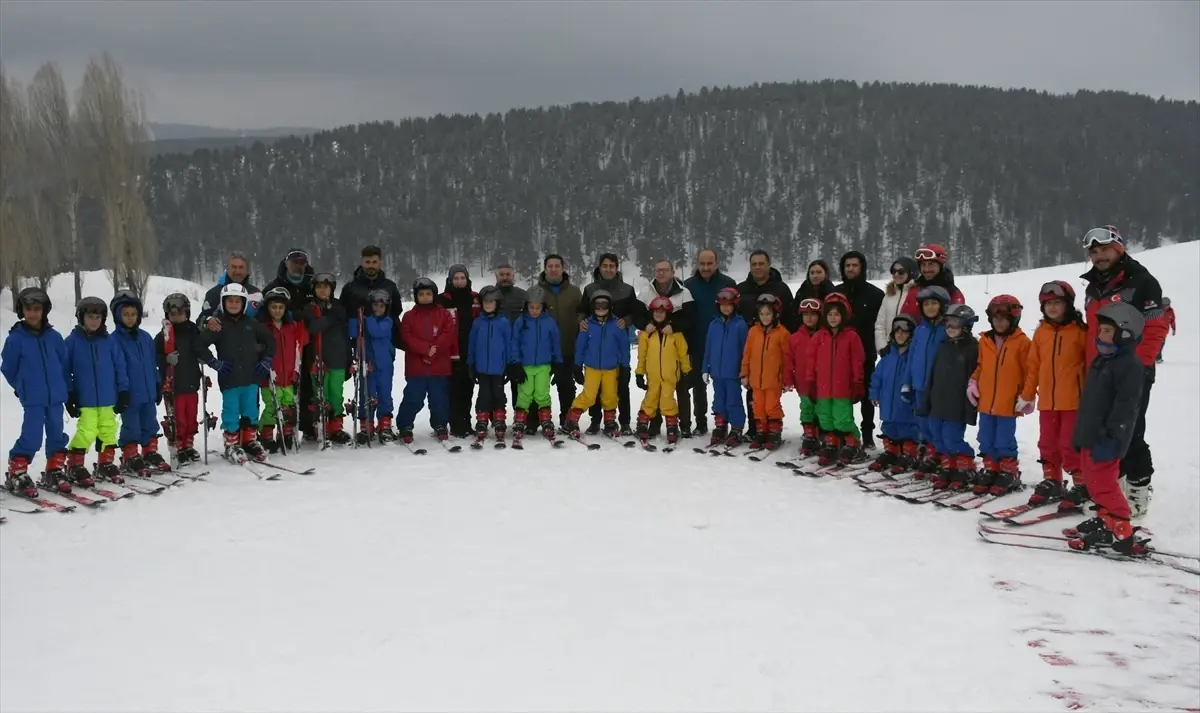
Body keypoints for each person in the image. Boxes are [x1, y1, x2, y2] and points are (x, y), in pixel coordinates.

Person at [1079, 225, 1168, 518]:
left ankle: (1138, 491)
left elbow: (1155, 327)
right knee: (1103, 431)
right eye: (1094, 252)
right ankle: (1111, 494)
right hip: (1100, 371)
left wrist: (1137, 367)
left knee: (1129, 432)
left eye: (1104, 249)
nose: (1099, 256)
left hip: (1131, 372)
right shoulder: (1094, 286)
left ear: (1119, 248)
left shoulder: (1142, 282)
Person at [1066, 302, 1148, 555]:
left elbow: (1126, 407)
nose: (1099, 337)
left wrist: (1111, 436)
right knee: (1093, 481)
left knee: (1104, 483)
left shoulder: (1129, 366)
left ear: (1124, 334)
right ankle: (1105, 519)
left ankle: (1120, 528)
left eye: (1106, 332)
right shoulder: (1103, 361)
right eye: (1099, 331)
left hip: (1107, 439)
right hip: (1091, 435)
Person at [1020, 281, 1087, 506]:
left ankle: (1081, 483)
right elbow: (1033, 366)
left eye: (1057, 303)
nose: (1052, 307)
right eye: (1048, 303)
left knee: (1069, 444)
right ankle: (1052, 480)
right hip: (1048, 401)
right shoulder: (1041, 332)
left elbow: (1089, 366)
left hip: (1074, 402)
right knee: (1047, 443)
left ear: (1068, 304)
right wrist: (1028, 394)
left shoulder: (1080, 332)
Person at [197, 283, 275, 463]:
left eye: (237, 301)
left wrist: (266, 360)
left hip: (251, 376)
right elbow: (199, 345)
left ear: (244, 303)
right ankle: (231, 443)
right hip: (229, 377)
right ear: (223, 303)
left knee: (250, 409)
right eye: (230, 301)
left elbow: (270, 340)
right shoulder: (218, 325)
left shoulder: (251, 323)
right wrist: (214, 363)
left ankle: (249, 440)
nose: (233, 304)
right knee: (231, 410)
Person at [2, 288, 69, 496]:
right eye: (28, 309)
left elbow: (63, 363)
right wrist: (21, 386)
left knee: (57, 432)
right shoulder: (16, 339)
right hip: (33, 397)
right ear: (22, 311)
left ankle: (55, 469)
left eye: (37, 309)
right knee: (32, 435)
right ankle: (18, 470)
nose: (33, 313)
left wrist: (65, 386)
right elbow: (8, 368)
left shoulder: (54, 337)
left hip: (56, 396)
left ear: (44, 310)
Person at [968, 295, 1031, 496]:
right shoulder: (985, 341)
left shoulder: (1022, 343)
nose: (999, 323)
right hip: (986, 401)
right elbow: (980, 366)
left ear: (1014, 319)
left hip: (1008, 402)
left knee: (1004, 439)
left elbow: (1030, 371)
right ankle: (991, 468)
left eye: (1004, 319)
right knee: (985, 437)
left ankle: (1008, 471)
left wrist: (1027, 395)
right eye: (995, 319)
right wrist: (973, 382)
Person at [65, 296, 128, 487]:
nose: (94, 321)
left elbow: (120, 367)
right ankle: (75, 465)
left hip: (109, 397)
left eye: (98, 317)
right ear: (81, 318)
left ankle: (105, 462)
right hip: (86, 398)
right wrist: (69, 394)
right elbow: (65, 370)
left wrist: (123, 390)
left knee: (109, 430)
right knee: (87, 431)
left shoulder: (109, 342)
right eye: (90, 316)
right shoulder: (72, 342)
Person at [578, 253, 643, 435]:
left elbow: (634, 313)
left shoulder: (627, 289)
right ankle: (595, 421)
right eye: (605, 266)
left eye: (612, 266)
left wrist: (627, 320)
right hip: (595, 348)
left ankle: (624, 423)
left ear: (617, 268)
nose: (608, 269)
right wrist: (582, 320)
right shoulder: (590, 289)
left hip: (617, 348)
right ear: (599, 267)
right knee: (596, 388)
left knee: (621, 386)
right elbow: (582, 310)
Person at [737, 249, 796, 438]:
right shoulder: (742, 289)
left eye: (761, 263)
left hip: (774, 348)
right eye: (754, 264)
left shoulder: (781, 289)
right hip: (751, 344)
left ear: (768, 265)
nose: (757, 267)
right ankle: (756, 428)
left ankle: (773, 430)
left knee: (771, 398)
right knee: (753, 394)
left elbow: (792, 318)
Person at [803, 293, 866, 466]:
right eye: (830, 314)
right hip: (822, 387)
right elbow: (810, 362)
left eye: (837, 314)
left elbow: (857, 361)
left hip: (842, 389)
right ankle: (832, 443)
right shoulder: (818, 337)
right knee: (825, 418)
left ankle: (853, 443)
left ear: (844, 316)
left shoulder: (852, 337)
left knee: (843, 419)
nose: (833, 318)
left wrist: (857, 382)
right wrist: (810, 382)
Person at [110, 290, 167, 477]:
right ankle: (130, 455)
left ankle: (149, 451)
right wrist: (122, 391)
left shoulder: (145, 338)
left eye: (133, 314)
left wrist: (158, 384)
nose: (129, 318)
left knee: (150, 422)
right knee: (131, 425)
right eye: (125, 314)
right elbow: (117, 370)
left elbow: (152, 364)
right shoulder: (114, 340)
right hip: (130, 394)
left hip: (148, 391)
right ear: (117, 316)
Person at [154, 293, 215, 466]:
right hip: (174, 385)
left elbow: (199, 346)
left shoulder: (192, 330)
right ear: (167, 315)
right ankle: (178, 445)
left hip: (191, 382)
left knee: (190, 417)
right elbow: (154, 355)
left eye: (180, 313)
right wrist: (165, 360)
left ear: (187, 312)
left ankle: (188, 444)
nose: (177, 317)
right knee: (178, 419)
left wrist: (202, 357)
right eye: (173, 314)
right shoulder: (164, 335)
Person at [833, 250, 885, 450]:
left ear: (862, 268)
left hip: (865, 353)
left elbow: (881, 324)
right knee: (841, 395)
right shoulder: (836, 293)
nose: (851, 269)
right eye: (847, 266)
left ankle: (868, 435)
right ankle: (843, 432)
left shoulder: (874, 294)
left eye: (855, 265)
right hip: (839, 355)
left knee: (865, 397)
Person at [925, 303, 980, 491]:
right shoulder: (943, 348)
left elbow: (974, 379)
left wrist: (970, 407)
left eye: (955, 324)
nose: (950, 329)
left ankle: (965, 465)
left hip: (956, 405)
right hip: (937, 402)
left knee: (952, 438)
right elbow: (932, 376)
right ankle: (949, 465)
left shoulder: (972, 349)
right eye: (947, 324)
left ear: (966, 326)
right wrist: (927, 400)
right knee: (937, 436)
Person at [638, 259, 696, 437]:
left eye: (665, 270)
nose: (661, 273)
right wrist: (646, 324)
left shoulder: (683, 293)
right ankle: (654, 425)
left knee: (679, 392)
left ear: (673, 271)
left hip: (674, 350)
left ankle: (683, 425)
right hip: (654, 348)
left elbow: (690, 317)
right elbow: (638, 315)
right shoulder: (646, 292)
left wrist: (675, 327)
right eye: (658, 270)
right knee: (654, 394)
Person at [395, 278, 457, 444]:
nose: (425, 297)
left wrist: (433, 351)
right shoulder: (409, 316)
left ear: (434, 295)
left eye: (428, 294)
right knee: (413, 397)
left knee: (439, 398)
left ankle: (440, 424)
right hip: (417, 366)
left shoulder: (443, 314)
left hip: (439, 365)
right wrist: (424, 350)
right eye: (421, 294)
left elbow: (449, 334)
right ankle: (405, 425)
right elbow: (407, 336)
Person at [683, 248, 736, 436]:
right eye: (702, 263)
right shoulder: (688, 285)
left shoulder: (728, 284)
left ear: (717, 263)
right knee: (698, 387)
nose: (706, 267)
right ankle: (701, 423)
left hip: (724, 345)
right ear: (697, 263)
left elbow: (736, 313)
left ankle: (730, 424)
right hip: (697, 342)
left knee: (727, 385)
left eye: (709, 263)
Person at [565, 290, 629, 439]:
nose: (601, 308)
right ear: (592, 306)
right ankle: (572, 419)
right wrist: (577, 366)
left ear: (610, 306)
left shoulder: (617, 324)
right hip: (592, 367)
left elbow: (624, 347)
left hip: (611, 368)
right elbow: (580, 346)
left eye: (604, 304)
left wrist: (625, 366)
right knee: (589, 395)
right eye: (597, 304)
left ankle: (610, 422)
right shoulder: (587, 325)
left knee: (610, 395)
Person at [902, 285, 952, 476]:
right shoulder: (920, 331)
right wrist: (907, 382)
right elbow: (911, 358)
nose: (930, 307)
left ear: (943, 306)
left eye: (934, 303)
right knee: (923, 423)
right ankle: (931, 453)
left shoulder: (947, 330)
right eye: (926, 304)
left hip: (938, 387)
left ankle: (944, 455)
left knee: (938, 424)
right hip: (919, 386)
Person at [634, 296, 693, 446]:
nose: (659, 315)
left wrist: (687, 371)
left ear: (668, 314)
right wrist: (639, 372)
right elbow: (642, 355)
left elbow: (683, 354)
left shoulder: (676, 334)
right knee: (650, 400)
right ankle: (642, 424)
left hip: (670, 376)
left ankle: (672, 427)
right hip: (653, 376)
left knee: (667, 400)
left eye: (662, 312)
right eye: (656, 312)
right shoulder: (646, 334)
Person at [302, 273, 352, 446]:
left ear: (332, 289)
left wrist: (349, 359)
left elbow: (345, 336)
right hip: (318, 360)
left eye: (326, 287)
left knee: (336, 395)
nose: (323, 290)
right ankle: (321, 425)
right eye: (319, 287)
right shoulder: (310, 308)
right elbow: (313, 328)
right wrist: (329, 317)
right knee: (320, 396)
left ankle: (335, 427)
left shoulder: (339, 307)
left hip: (337, 357)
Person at [509, 285, 563, 444]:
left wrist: (557, 362)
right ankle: (520, 421)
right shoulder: (521, 321)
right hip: (525, 365)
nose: (534, 310)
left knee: (541, 393)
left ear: (543, 307)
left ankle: (545, 420)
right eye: (531, 307)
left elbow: (555, 343)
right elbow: (515, 343)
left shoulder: (549, 323)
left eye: (537, 307)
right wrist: (516, 363)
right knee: (525, 394)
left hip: (543, 365)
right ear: (526, 306)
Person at [868, 314, 920, 474]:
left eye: (904, 332)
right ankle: (891, 451)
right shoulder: (887, 357)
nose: (900, 335)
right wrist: (874, 393)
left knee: (907, 428)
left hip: (905, 403)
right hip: (888, 402)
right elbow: (877, 377)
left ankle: (909, 453)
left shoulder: (913, 357)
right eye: (897, 332)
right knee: (889, 427)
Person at [257, 287, 307, 453]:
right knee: (272, 405)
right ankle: (266, 434)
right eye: (274, 307)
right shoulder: (263, 327)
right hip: (271, 376)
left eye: (280, 307)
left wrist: (301, 323)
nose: (277, 311)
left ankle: (285, 432)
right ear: (268, 308)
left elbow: (302, 342)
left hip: (289, 375)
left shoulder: (290, 326)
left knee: (288, 405)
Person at [346, 289, 399, 445]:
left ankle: (384, 424)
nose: (377, 309)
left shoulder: (387, 322)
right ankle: (366, 425)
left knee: (384, 393)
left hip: (384, 364)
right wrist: (355, 315)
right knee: (366, 393)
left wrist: (366, 317)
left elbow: (376, 331)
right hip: (366, 363)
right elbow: (353, 332)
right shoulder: (364, 320)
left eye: (381, 306)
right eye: (374, 305)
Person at [536, 255, 582, 426]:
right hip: (541, 350)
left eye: (557, 266)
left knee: (567, 387)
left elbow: (583, 315)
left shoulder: (574, 291)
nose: (553, 269)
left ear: (563, 268)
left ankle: (568, 418)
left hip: (567, 347)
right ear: (545, 268)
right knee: (538, 388)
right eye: (550, 266)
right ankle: (535, 420)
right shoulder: (536, 291)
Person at [741, 294, 790, 450]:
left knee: (771, 407)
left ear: (775, 314)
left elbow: (787, 359)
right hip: (756, 380)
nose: (765, 317)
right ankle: (761, 431)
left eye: (768, 313)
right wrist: (744, 373)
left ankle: (774, 432)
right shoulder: (753, 332)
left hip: (773, 380)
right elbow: (747, 354)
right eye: (762, 314)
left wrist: (786, 378)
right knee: (758, 407)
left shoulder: (782, 334)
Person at [701, 287, 748, 448]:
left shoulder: (740, 325)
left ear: (735, 305)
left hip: (733, 373)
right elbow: (708, 348)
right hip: (717, 373)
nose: (726, 308)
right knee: (719, 401)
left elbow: (745, 351)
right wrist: (705, 368)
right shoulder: (713, 325)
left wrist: (744, 371)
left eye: (729, 304)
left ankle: (736, 428)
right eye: (722, 305)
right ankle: (721, 425)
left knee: (733, 401)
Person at [467, 286, 514, 444]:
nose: (488, 305)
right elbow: (472, 345)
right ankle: (482, 421)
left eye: (491, 302)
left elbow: (509, 344)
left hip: (498, 368)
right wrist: (471, 364)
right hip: (482, 368)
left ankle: (499, 420)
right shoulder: (477, 323)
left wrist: (510, 364)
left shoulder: (503, 322)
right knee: (484, 395)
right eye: (485, 302)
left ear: (497, 303)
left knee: (499, 395)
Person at [440, 264, 480, 437]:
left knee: (468, 389)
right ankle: (455, 424)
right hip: (451, 353)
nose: (459, 281)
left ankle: (466, 422)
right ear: (450, 280)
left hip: (471, 352)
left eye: (462, 278)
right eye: (455, 278)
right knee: (453, 391)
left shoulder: (475, 298)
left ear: (467, 279)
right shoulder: (443, 299)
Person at [785, 298, 824, 457]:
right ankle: (809, 435)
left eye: (813, 315)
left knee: (823, 410)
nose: (809, 318)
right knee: (807, 409)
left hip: (822, 384)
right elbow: (788, 361)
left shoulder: (825, 336)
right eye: (806, 315)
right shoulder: (794, 338)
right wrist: (788, 380)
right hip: (804, 384)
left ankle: (825, 435)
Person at [899, 244, 965, 318]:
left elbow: (956, 325)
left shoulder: (953, 294)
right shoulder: (914, 291)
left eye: (931, 264)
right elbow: (903, 318)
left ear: (941, 266)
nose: (926, 269)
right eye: (923, 265)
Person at [339, 245, 405, 319]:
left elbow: (396, 314)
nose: (371, 265)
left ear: (380, 263)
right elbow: (341, 315)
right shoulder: (349, 288)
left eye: (374, 262)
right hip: (356, 329)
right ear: (362, 262)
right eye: (367, 262)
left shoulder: (390, 287)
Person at [199, 251, 261, 327]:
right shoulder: (214, 293)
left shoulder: (256, 294)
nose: (237, 271)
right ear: (227, 269)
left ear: (247, 270)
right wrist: (208, 321)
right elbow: (201, 321)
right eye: (234, 267)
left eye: (241, 267)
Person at [874, 257, 919, 356]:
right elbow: (880, 325)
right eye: (894, 271)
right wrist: (882, 347)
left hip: (910, 351)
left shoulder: (917, 294)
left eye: (901, 272)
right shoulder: (889, 295)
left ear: (911, 273)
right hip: (890, 350)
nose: (896, 275)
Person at [1158, 296, 1175, 363]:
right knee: (1156, 344)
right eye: (1164, 305)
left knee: (1161, 345)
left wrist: (1174, 329)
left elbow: (1172, 320)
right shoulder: (1157, 311)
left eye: (1167, 305)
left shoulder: (1170, 311)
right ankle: (1156, 358)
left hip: (1164, 332)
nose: (1166, 307)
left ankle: (1157, 358)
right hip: (1156, 330)